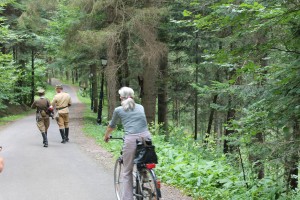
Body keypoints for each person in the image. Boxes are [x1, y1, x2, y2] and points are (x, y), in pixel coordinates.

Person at [104, 87, 151, 200]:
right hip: (147, 137)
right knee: (144, 159)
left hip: (131, 140)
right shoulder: (141, 107)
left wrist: (106, 136)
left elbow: (112, 126)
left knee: (127, 172)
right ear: (132, 97)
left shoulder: (119, 110)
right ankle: (144, 172)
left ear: (121, 98)